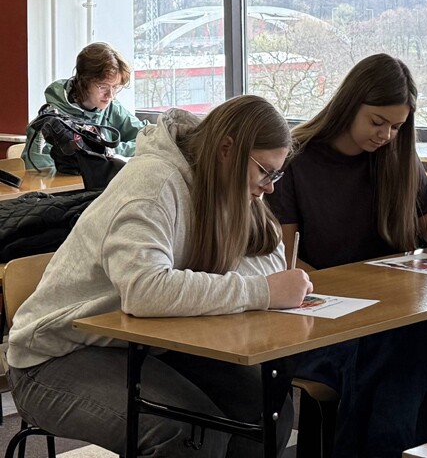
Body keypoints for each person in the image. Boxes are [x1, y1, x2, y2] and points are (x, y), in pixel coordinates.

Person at [7, 95, 313, 457]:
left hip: (148, 344)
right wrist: (259, 291)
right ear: (227, 150)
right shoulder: (153, 184)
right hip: (57, 354)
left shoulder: (230, 185)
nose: (270, 186)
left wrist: (258, 287)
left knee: (268, 413)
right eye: (265, 171)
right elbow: (145, 291)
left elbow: (270, 265)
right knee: (188, 433)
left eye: (276, 174)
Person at [269, 53, 427, 458]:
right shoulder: (296, 159)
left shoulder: (397, 156)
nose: (386, 135)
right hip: (320, 319)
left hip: (390, 314)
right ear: (349, 104)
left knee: (408, 338)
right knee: (405, 348)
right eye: (378, 122)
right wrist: (352, 292)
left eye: (396, 127)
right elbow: (285, 259)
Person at [22, 41, 147, 169]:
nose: (110, 95)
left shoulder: (111, 108)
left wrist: (109, 151)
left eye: (115, 87)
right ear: (84, 82)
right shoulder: (48, 122)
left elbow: (150, 138)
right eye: (103, 86)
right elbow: (37, 174)